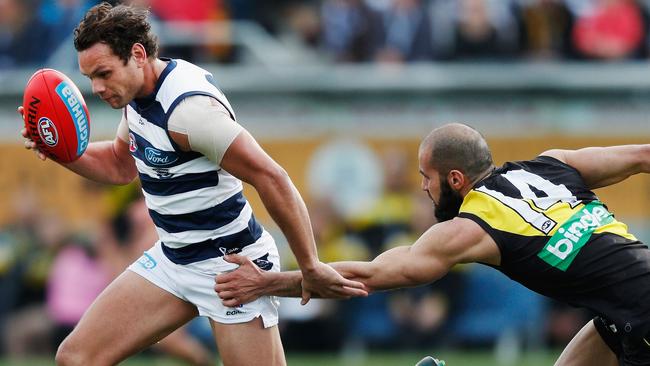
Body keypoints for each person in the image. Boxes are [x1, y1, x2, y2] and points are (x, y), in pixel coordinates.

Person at [18, 3, 366, 365]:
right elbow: (120, 166)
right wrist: (57, 148)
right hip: (173, 260)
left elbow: (272, 177)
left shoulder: (188, 112)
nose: (97, 88)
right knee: (75, 358)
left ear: (137, 54)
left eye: (103, 73)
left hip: (230, 268)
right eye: (90, 77)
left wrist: (310, 266)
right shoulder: (137, 94)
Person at [215, 123, 650, 366]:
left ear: (455, 180)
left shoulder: (471, 227)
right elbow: (642, 156)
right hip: (621, 312)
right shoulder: (553, 165)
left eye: (427, 178)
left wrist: (266, 283)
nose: (423, 188)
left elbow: (369, 275)